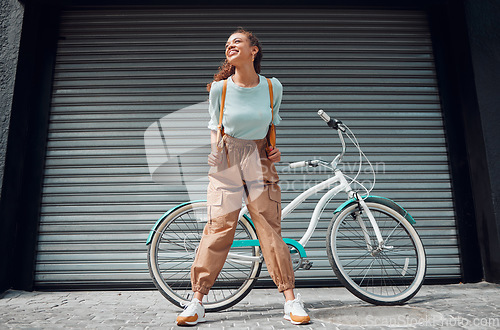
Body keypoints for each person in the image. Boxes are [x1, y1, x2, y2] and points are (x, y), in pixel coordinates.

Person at [175, 28, 311, 326]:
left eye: (237, 41)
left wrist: (274, 151)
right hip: (228, 157)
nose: (230, 46)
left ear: (254, 50)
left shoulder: (273, 87)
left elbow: (271, 124)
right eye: (227, 44)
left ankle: (291, 301)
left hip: (260, 158)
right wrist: (214, 151)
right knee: (219, 227)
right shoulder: (219, 89)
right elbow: (214, 126)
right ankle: (196, 301)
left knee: (269, 228)